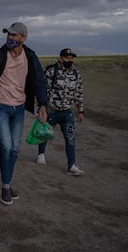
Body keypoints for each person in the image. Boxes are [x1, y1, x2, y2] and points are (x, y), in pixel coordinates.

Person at [0, 22, 47, 205]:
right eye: (8, 34)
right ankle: (6, 186)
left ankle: (6, 182)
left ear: (23, 38)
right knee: (7, 146)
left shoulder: (30, 57)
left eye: (14, 35)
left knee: (15, 148)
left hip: (19, 108)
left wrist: (42, 104)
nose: (10, 38)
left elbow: (40, 80)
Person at [37, 48, 85, 176]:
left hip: (67, 112)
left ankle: (72, 165)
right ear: (60, 58)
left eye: (71, 58)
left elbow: (79, 93)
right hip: (51, 110)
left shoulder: (76, 74)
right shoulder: (52, 72)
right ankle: (41, 154)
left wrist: (81, 110)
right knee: (45, 134)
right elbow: (43, 91)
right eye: (67, 57)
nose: (70, 60)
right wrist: (41, 108)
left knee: (70, 138)